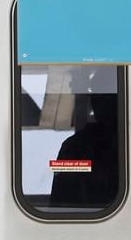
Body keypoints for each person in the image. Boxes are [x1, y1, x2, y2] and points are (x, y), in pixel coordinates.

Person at [50, 69, 119, 208]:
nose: (102, 102)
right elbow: (62, 203)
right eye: (100, 96)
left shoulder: (74, 146)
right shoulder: (74, 148)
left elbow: (59, 205)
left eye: (107, 97)